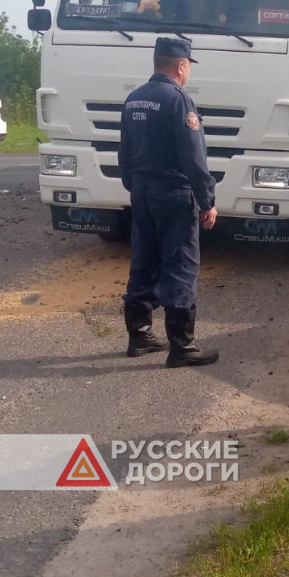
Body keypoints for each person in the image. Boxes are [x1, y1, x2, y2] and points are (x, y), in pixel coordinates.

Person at [119, 38, 219, 368]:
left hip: (143, 192)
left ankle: (139, 336)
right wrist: (207, 201)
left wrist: (135, 186)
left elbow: (124, 153)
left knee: (144, 259)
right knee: (180, 265)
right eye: (188, 65)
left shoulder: (134, 99)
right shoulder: (178, 101)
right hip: (174, 195)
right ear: (180, 66)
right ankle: (182, 347)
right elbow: (194, 159)